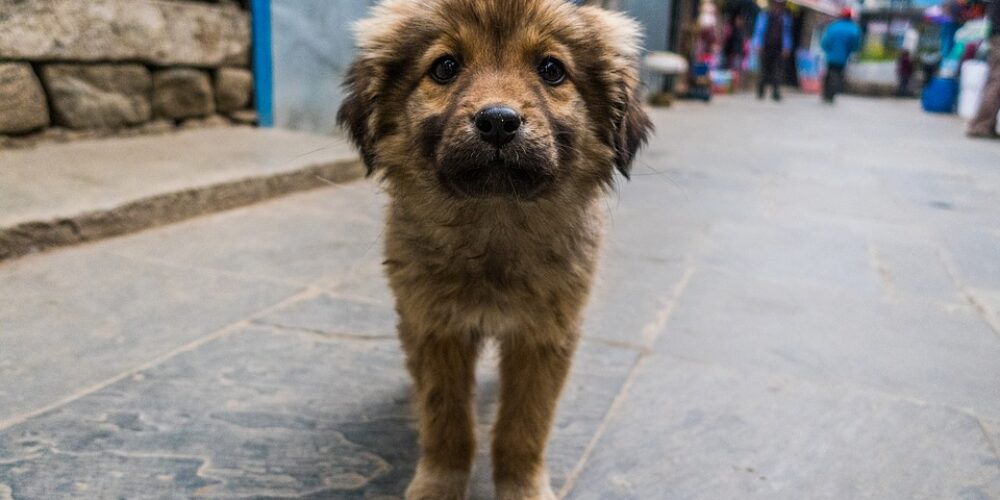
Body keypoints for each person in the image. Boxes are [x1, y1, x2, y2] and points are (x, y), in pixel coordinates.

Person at [968, 0, 1000, 138]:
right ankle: (981, 125)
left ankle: (983, 124)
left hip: (996, 34)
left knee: (995, 81)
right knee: (997, 82)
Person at [752, 0, 793, 101]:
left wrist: (787, 46)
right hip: (766, 46)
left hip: (779, 47)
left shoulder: (785, 18)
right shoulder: (764, 16)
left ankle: (775, 92)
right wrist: (758, 44)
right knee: (763, 70)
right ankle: (761, 91)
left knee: (777, 71)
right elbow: (759, 30)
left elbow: (787, 33)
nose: (777, 6)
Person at [820, 8, 861, 103]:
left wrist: (827, 50)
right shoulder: (854, 29)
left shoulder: (833, 27)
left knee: (829, 74)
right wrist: (850, 51)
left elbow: (825, 42)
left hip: (830, 57)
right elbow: (855, 45)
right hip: (843, 58)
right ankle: (833, 93)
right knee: (838, 75)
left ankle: (826, 93)